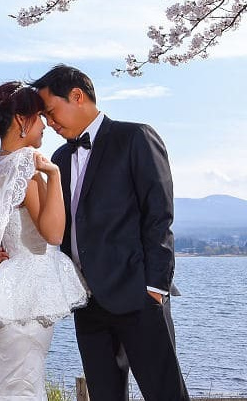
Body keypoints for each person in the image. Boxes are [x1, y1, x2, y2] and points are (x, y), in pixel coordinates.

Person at [31, 64, 189, 401]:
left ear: (77, 96)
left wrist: (155, 288)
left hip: (139, 296)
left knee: (165, 394)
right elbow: (58, 227)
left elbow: (158, 214)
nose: (49, 123)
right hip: (87, 302)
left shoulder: (135, 137)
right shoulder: (59, 157)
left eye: (51, 111)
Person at [0, 81, 88, 400]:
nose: (45, 124)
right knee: (22, 385)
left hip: (6, 288)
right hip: (29, 293)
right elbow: (53, 233)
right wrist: (53, 175)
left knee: (4, 381)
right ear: (21, 120)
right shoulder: (24, 166)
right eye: (40, 116)